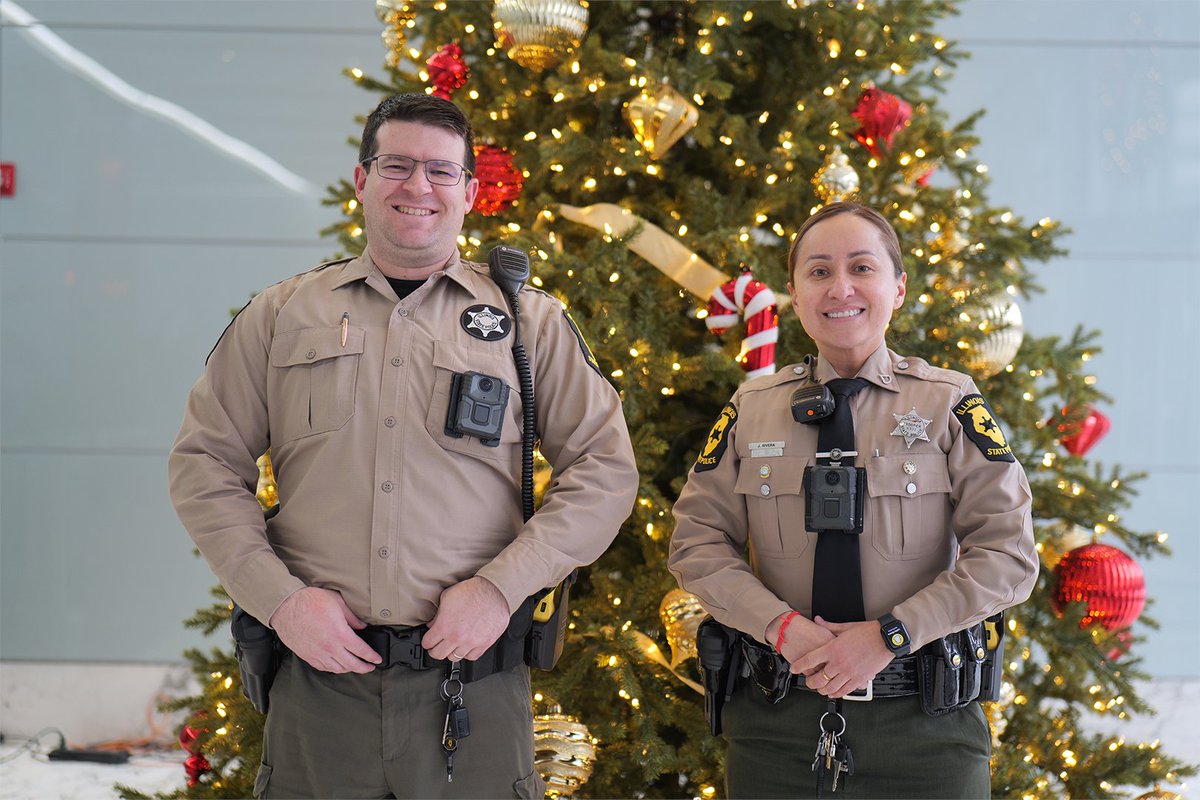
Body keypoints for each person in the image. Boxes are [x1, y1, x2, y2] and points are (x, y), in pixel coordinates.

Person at [169, 93, 638, 799]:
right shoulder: (281, 315)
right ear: (362, 180)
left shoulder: (527, 323)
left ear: (472, 193)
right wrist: (281, 602)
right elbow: (204, 465)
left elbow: (604, 470)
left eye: (442, 172)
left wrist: (499, 589)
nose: (418, 187)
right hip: (321, 690)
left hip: (471, 693)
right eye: (397, 165)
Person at [668, 201, 1037, 798]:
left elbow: (1009, 553)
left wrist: (890, 635)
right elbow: (696, 544)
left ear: (897, 287)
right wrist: (780, 627)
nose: (841, 288)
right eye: (818, 272)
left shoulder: (949, 404)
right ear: (793, 293)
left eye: (862, 268)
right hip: (776, 728)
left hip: (925, 731)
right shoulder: (751, 409)